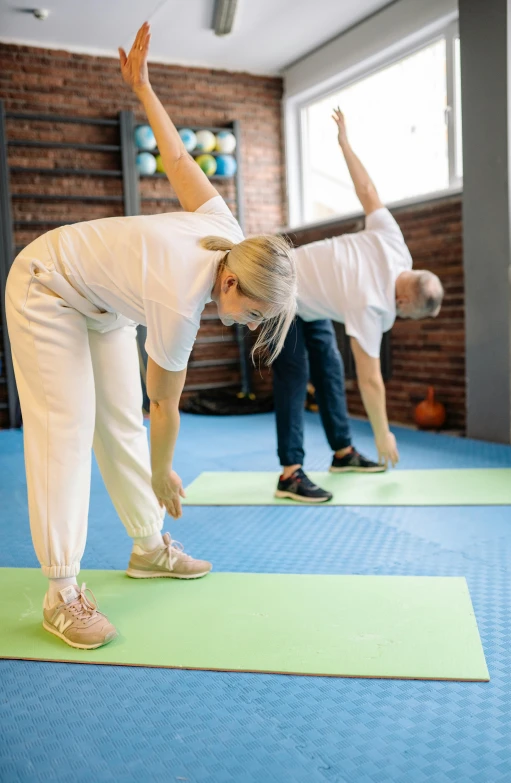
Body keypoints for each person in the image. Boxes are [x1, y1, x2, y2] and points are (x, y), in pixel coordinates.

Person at [5, 22, 297, 649]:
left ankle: (147, 547)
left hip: (102, 303)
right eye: (253, 316)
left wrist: (144, 86)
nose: (248, 327)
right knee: (67, 426)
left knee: (119, 422)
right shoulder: (180, 300)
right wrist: (166, 474)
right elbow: (165, 402)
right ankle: (61, 592)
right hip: (45, 283)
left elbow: (179, 158)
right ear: (231, 288)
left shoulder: (227, 229)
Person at [274, 108, 443, 503]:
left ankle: (343, 452)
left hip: (310, 301)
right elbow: (370, 379)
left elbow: (366, 189)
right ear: (403, 301)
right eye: (407, 314)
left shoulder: (394, 242)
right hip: (277, 291)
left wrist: (345, 144)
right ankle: (289, 474)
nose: (400, 318)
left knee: (330, 367)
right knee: (294, 374)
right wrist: (383, 431)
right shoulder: (373, 305)